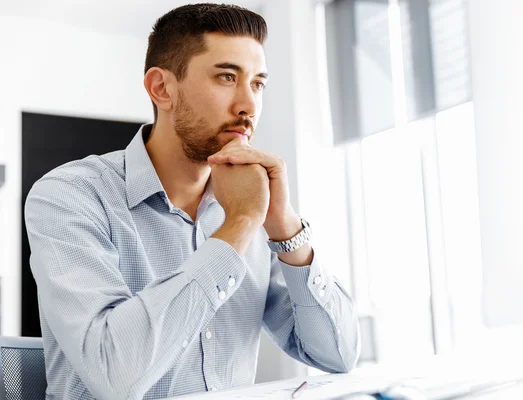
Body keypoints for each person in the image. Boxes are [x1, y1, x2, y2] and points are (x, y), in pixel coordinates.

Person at [24, 3, 360, 400]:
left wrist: (285, 226)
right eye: (226, 77)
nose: (248, 106)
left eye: (257, 84)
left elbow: (337, 356)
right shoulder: (70, 195)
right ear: (161, 88)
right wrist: (236, 228)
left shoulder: (254, 209)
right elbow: (113, 373)